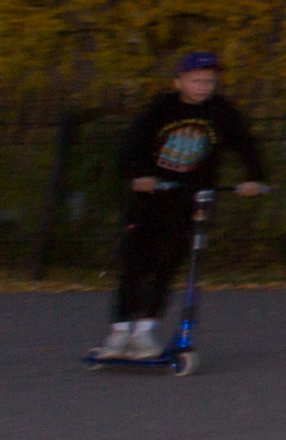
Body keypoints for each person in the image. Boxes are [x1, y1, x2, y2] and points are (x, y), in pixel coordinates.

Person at [92, 53, 267, 361]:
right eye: (196, 80)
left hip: (192, 198)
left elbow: (246, 144)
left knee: (168, 262)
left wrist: (254, 178)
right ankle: (119, 332)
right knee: (135, 262)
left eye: (209, 81)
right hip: (152, 197)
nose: (203, 87)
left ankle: (144, 331)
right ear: (179, 82)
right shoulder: (161, 108)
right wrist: (138, 174)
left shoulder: (221, 111)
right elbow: (133, 143)